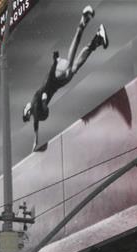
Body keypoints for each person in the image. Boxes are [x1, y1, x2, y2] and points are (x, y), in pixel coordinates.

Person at [22, 5, 108, 151]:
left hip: (56, 76)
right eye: (26, 111)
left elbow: (36, 128)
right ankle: (97, 39)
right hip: (56, 78)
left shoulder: (35, 111)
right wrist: (43, 104)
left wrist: (35, 144)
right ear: (28, 112)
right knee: (73, 68)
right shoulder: (35, 107)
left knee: (70, 67)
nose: (27, 107)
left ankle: (83, 23)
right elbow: (42, 101)